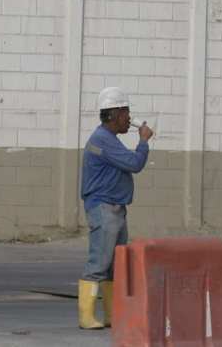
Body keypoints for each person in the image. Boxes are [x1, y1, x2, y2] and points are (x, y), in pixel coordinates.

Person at [77, 86, 153, 330]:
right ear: (114, 114)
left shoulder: (107, 139)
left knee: (113, 265)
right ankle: (86, 317)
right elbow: (135, 163)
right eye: (126, 113)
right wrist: (143, 141)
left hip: (114, 208)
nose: (129, 119)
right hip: (104, 208)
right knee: (99, 262)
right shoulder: (103, 141)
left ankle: (110, 315)